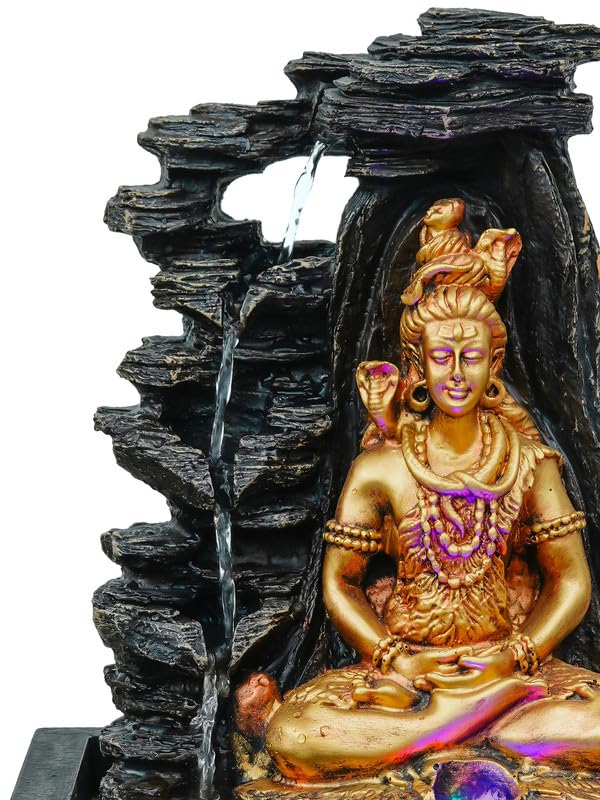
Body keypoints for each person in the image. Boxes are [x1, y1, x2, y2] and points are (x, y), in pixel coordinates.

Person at [237, 200, 600, 794]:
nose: (456, 373)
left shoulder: (529, 463)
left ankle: (446, 732)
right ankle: (457, 727)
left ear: (494, 365)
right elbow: (340, 583)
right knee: (295, 736)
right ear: (418, 366)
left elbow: (571, 581)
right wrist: (394, 656)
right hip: (405, 673)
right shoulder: (382, 467)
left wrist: (517, 654)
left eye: (472, 356)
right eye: (441, 357)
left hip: (507, 667)